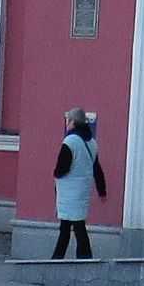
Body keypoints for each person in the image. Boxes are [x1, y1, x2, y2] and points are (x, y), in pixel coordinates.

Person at [52, 106, 107, 260]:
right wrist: (102, 190)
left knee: (72, 227)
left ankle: (71, 258)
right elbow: (97, 169)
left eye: (68, 120)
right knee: (75, 225)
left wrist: (55, 174)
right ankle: (75, 257)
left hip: (69, 191)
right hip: (83, 190)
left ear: (72, 122)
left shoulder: (70, 142)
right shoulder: (92, 143)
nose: (66, 123)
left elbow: (62, 167)